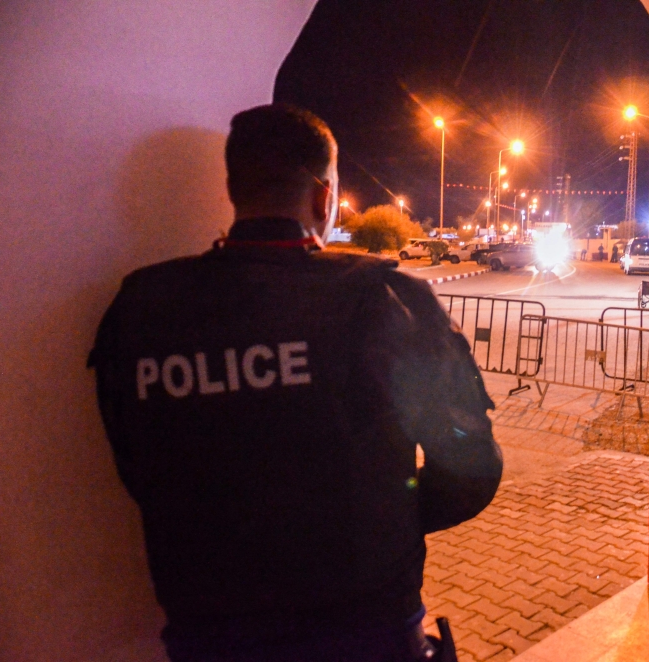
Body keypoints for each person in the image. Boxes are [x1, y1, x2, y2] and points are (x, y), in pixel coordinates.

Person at [88, 104, 503, 662]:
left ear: (234, 188)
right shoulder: (385, 301)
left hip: (207, 635)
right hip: (366, 629)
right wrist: (381, 517)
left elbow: (137, 468)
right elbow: (472, 467)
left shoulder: (141, 309)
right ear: (323, 196)